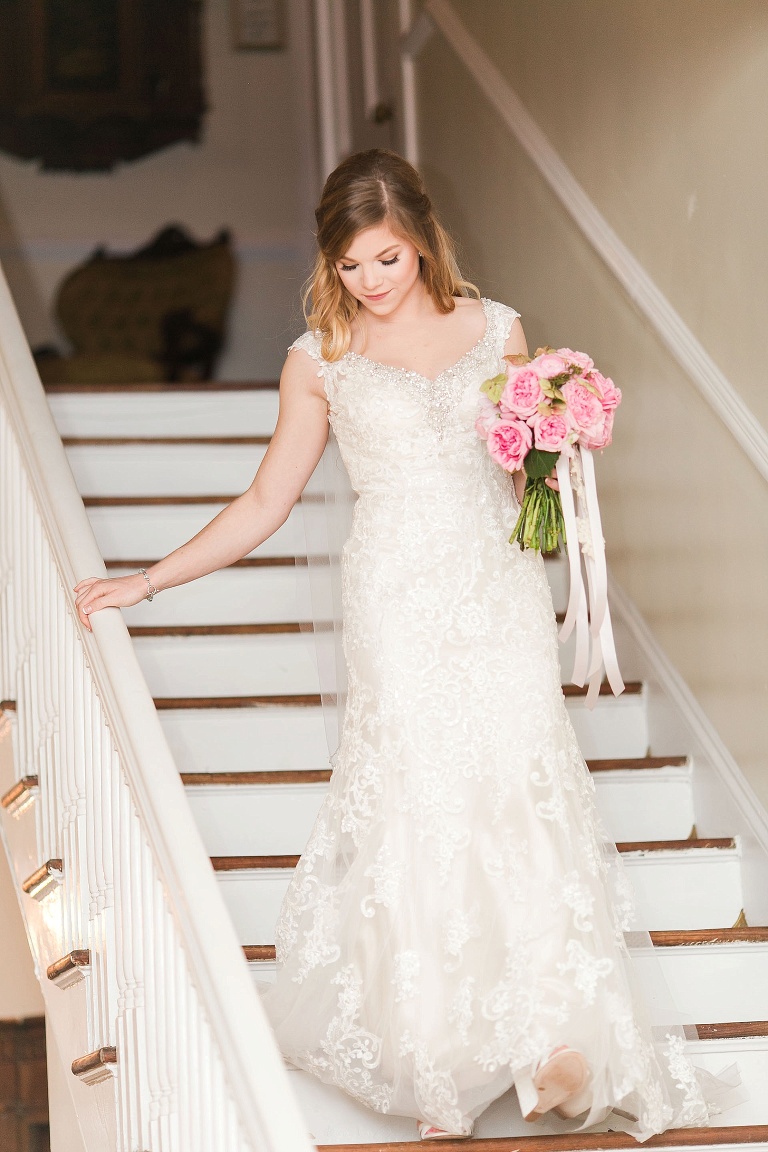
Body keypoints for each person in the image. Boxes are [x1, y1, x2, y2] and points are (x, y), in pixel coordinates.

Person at [75, 149, 715, 1140]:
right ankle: (436, 1061)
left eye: (388, 258)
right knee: (418, 803)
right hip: (396, 600)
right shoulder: (318, 359)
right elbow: (265, 500)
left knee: (521, 790)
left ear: (422, 240)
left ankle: (556, 1041)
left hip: (497, 590)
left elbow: (523, 487)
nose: (371, 281)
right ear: (329, 262)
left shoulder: (498, 329)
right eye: (351, 265)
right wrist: (149, 581)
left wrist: (555, 439)